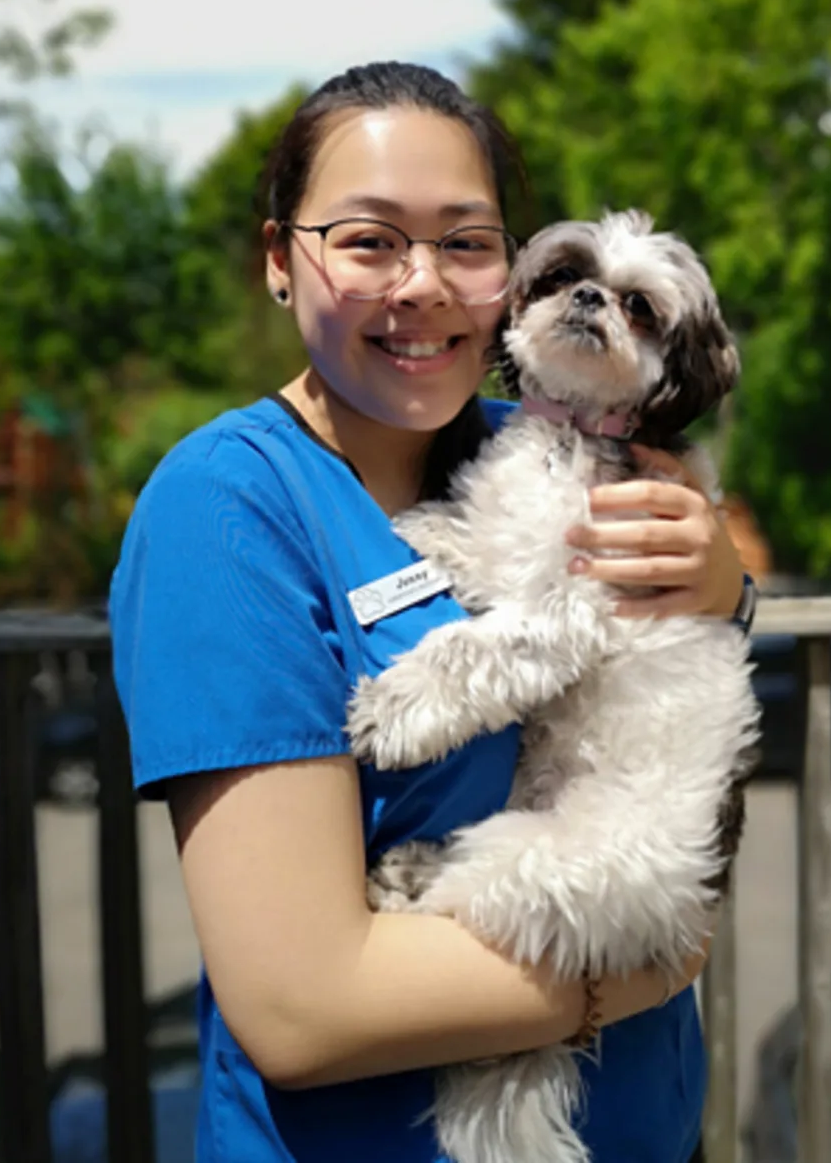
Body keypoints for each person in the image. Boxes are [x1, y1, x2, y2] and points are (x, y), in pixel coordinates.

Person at [109, 61, 752, 1163]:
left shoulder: (529, 436)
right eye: (368, 240)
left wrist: (725, 587)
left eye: (465, 242)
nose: (423, 285)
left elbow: (681, 687)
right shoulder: (226, 509)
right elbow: (304, 1010)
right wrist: (656, 962)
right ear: (280, 259)